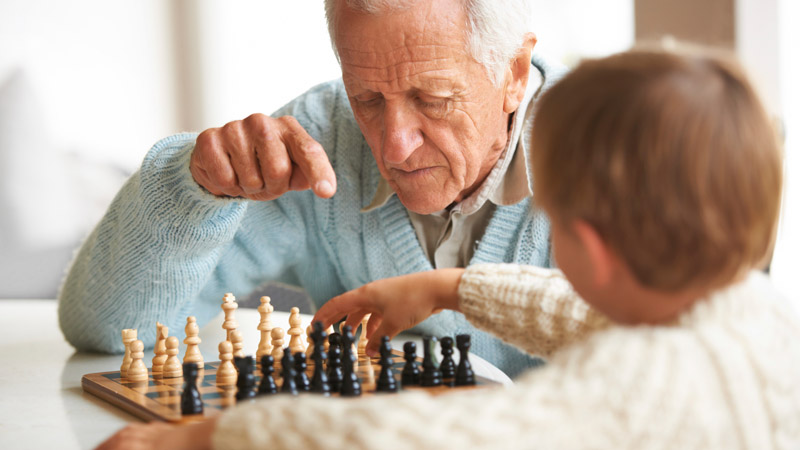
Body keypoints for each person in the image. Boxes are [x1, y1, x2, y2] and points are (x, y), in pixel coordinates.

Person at [95, 48, 800, 450]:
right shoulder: (746, 312)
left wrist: (197, 441)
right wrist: (448, 289)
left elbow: (420, 438)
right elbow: (574, 313)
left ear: (586, 246)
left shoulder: (625, 388)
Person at [58, 0, 564, 377]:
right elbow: (105, 331)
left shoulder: (614, 156)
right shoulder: (320, 136)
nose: (393, 147)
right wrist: (189, 189)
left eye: (431, 99)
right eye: (366, 98)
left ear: (514, 74)